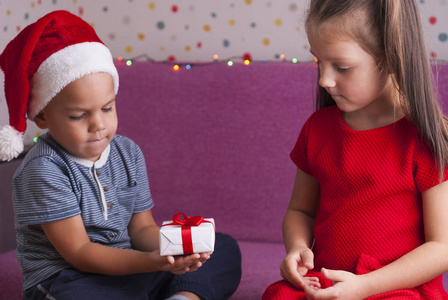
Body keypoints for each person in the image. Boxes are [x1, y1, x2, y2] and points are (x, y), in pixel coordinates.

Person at [0, 10, 241, 300]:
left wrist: (175, 250)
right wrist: (150, 261)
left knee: (222, 247)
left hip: (130, 268)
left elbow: (141, 229)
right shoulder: (44, 170)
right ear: (42, 116)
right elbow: (80, 252)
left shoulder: (128, 152)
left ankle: (183, 298)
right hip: (71, 279)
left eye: (107, 108)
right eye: (79, 115)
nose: (99, 125)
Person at [262, 0, 448, 299]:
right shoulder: (317, 129)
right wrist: (297, 248)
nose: (324, 80)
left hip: (396, 289)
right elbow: (300, 210)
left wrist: (364, 287)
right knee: (278, 295)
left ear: (390, 58)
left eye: (342, 67)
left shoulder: (424, 137)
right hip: (328, 283)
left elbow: (442, 248)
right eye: (318, 62)